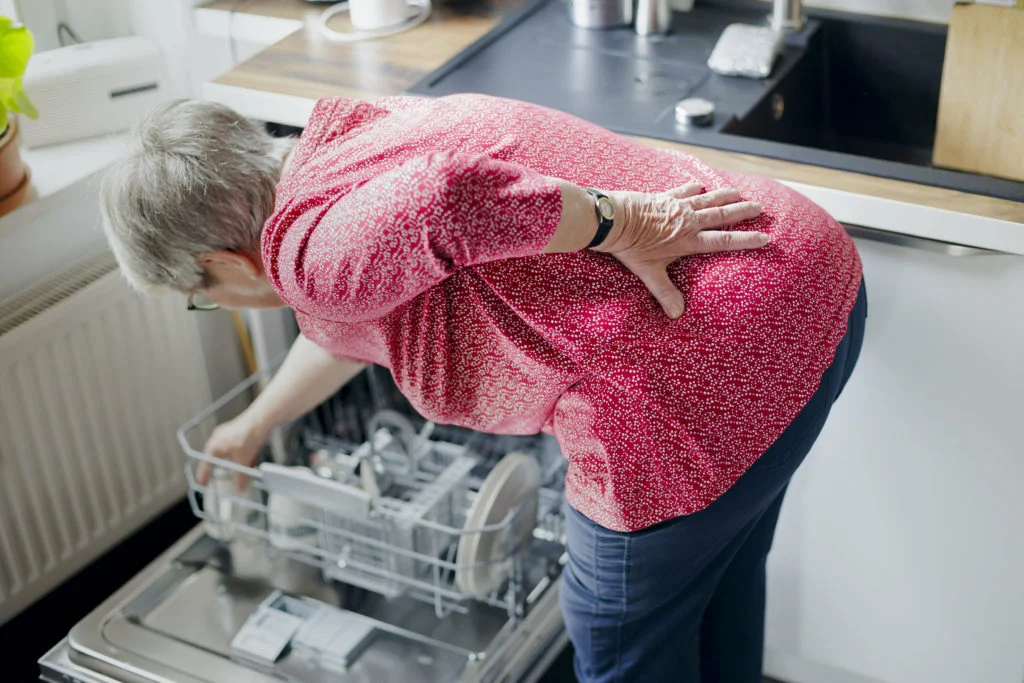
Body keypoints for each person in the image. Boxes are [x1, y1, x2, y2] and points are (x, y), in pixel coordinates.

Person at [101, 94, 865, 683]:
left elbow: (450, 198)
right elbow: (354, 307)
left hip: (697, 381)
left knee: (616, 635)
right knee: (719, 577)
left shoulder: (301, 257)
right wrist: (253, 424)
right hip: (806, 282)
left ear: (226, 265)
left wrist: (625, 221)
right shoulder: (349, 144)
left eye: (199, 295)